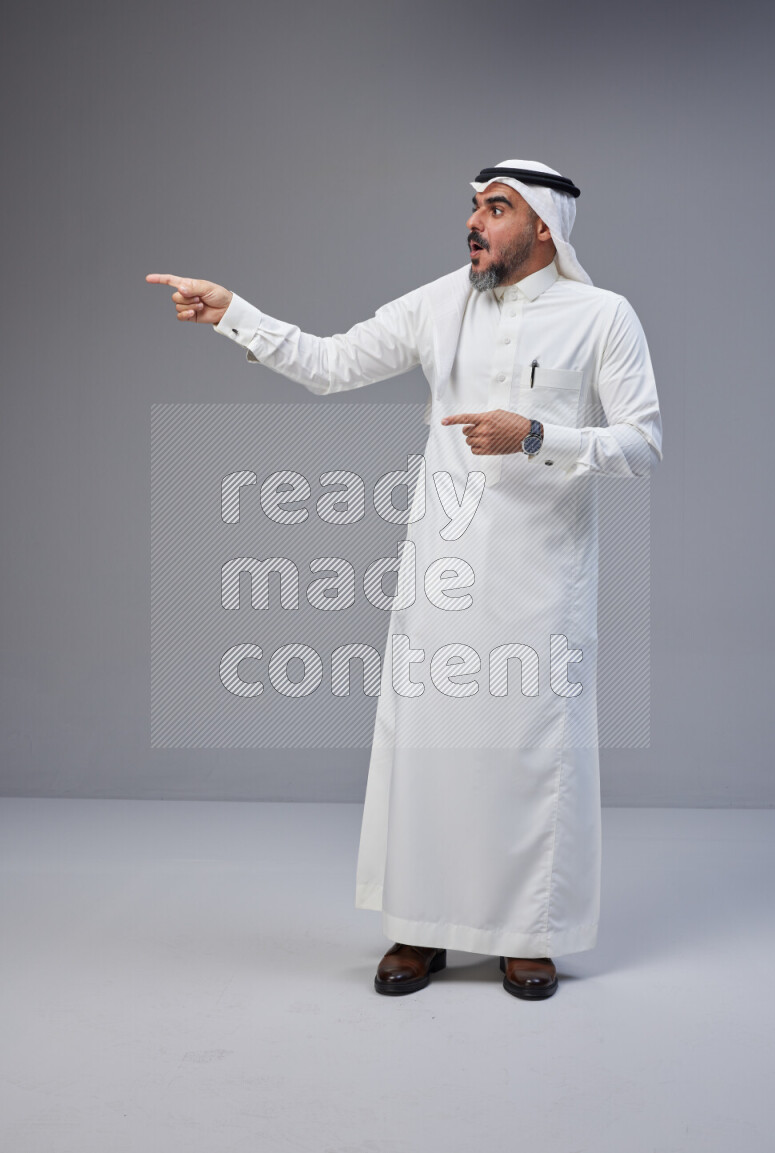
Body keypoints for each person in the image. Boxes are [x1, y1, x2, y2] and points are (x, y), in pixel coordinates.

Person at [147, 158, 662, 1001]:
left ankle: (529, 934)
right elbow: (326, 362)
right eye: (472, 207)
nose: (475, 222)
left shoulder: (601, 317)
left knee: (530, 754)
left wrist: (539, 434)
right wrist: (231, 313)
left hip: (543, 581)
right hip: (442, 574)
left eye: (496, 209)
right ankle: (421, 929)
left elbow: (642, 444)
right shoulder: (438, 303)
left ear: (544, 226)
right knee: (427, 753)